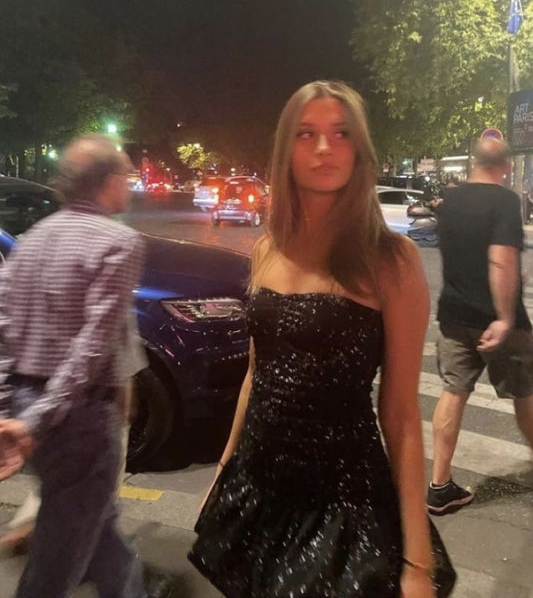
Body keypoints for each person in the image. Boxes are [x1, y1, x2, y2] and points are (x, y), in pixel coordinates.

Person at [189, 81, 452, 598]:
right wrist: (223, 471)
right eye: (307, 134)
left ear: (360, 149)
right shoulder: (268, 247)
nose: (325, 147)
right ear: (286, 150)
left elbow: (400, 414)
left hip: (341, 501)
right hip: (258, 489)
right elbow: (257, 374)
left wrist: (417, 561)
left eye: (341, 133)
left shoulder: (391, 260)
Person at [0, 134, 147, 598]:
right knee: (53, 569)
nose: (130, 183)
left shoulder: (32, 239)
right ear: (108, 182)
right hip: (77, 420)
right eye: (126, 174)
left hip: (29, 405)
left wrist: (11, 410)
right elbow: (92, 347)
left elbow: (4, 325)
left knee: (97, 529)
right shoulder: (120, 241)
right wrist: (39, 420)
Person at [428, 138, 533, 515]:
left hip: (454, 315)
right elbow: (500, 259)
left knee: (453, 391)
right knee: (526, 392)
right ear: (506, 166)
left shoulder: (451, 199)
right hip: (498, 320)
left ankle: (440, 485)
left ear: (473, 162)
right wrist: (504, 317)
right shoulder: (505, 201)